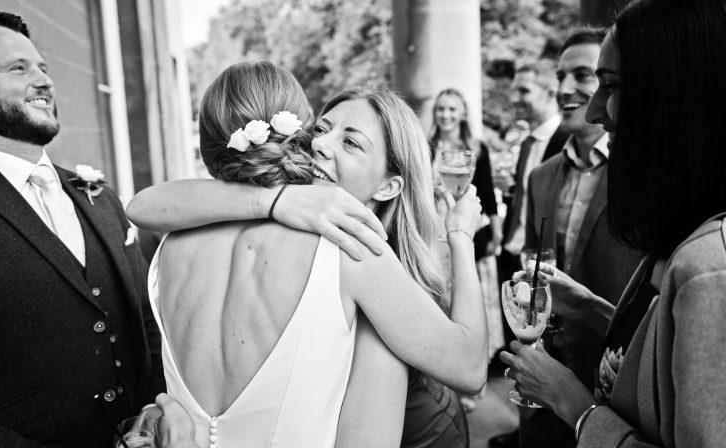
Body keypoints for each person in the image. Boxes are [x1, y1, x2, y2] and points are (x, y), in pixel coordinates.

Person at [134, 64, 488, 447]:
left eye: (351, 142)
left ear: (390, 185)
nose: (321, 144)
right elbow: (470, 366)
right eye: (320, 129)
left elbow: (142, 206)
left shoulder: (172, 243)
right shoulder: (353, 252)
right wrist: (461, 237)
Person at [501, 0, 726, 447]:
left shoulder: (710, 271)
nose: (593, 111)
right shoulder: (688, 230)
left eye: (609, 84)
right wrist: (587, 305)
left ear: (675, 93)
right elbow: (663, 355)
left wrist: (574, 405)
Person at [0, 9, 164, 447]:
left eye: (43, 68)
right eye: (18, 68)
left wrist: (156, 405)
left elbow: (147, 323)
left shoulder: (100, 197)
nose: (44, 80)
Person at [517, 29, 641, 448]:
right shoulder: (540, 176)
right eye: (560, 76)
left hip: (620, 391)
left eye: (584, 76)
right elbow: (536, 260)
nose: (564, 88)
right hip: (543, 387)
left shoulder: (646, 171)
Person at [491, 59, 568, 448]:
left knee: (542, 348)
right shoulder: (526, 142)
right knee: (518, 348)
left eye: (524, 91)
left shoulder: (565, 141)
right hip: (515, 254)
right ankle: (523, 425)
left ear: (548, 92)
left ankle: (541, 428)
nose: (515, 98)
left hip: (546, 263)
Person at [428, 88, 506, 369]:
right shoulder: (427, 147)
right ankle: (446, 361)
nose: (446, 114)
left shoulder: (477, 147)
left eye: (452, 109)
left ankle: (476, 363)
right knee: (443, 291)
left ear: (462, 113)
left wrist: (496, 232)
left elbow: (486, 191)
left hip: (471, 225)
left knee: (473, 291)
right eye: (441, 109)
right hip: (436, 228)